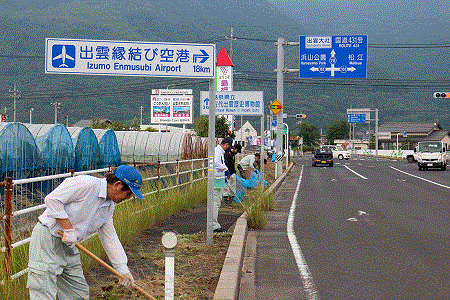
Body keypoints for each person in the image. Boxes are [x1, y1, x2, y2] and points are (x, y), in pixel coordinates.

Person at [27, 165, 144, 300]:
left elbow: (110, 238)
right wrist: (68, 228)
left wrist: (123, 270)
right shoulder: (86, 184)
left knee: (78, 293)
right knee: (43, 291)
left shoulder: (108, 207)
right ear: (118, 184)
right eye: (129, 193)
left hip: (70, 246)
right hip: (48, 239)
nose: (128, 198)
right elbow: (52, 200)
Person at [213, 137, 232, 233]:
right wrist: (225, 169)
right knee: (215, 202)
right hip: (217, 177)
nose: (228, 148)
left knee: (218, 200)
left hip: (219, 177)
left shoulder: (220, 152)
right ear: (226, 145)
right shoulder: (217, 151)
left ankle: (215, 224)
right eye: (228, 146)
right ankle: (214, 226)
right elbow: (215, 162)